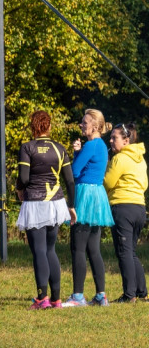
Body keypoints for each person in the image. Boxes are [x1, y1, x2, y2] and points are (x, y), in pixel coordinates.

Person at [16, 110, 75, 309]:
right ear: (49, 126)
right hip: (56, 203)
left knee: (39, 249)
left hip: (35, 201)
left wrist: (19, 190)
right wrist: (72, 206)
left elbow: (24, 178)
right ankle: (57, 299)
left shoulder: (27, 147)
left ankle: (42, 298)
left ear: (33, 127)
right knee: (50, 249)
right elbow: (69, 180)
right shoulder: (60, 148)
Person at [63, 109, 113, 307]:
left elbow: (74, 172)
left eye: (84, 123)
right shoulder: (101, 145)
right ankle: (101, 295)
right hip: (98, 196)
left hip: (85, 196)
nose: (81, 125)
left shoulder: (91, 145)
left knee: (78, 248)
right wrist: (79, 152)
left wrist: (76, 154)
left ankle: (77, 296)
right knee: (94, 249)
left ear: (94, 126)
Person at [103, 122, 147, 303]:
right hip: (139, 207)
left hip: (122, 207)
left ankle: (129, 295)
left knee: (124, 252)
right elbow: (144, 184)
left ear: (126, 140)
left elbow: (108, 182)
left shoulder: (119, 159)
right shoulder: (140, 159)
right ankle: (142, 292)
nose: (111, 141)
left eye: (115, 138)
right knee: (131, 252)